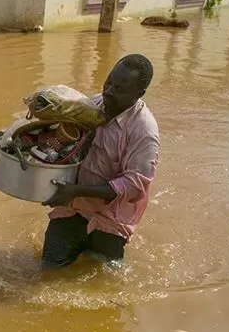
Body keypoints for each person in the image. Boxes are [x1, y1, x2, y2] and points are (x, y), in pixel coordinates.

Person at [41, 54, 159, 267]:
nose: (109, 92)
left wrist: (77, 190)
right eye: (109, 82)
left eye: (119, 89)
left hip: (110, 222)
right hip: (72, 209)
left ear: (138, 94)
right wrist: (7, 141)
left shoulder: (144, 131)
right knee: (48, 271)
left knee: (104, 288)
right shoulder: (92, 106)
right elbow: (54, 137)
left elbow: (134, 186)